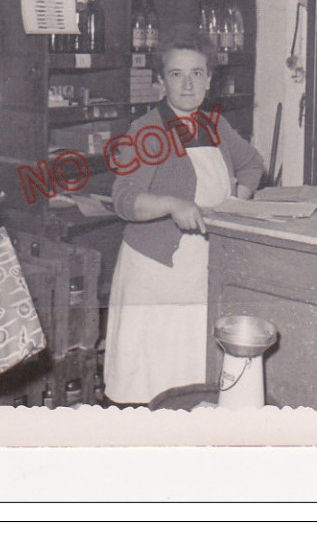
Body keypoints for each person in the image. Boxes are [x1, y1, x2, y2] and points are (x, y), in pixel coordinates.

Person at [103, 26, 264, 405]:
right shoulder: (146, 131)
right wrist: (173, 205)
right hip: (156, 274)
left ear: (210, 79)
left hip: (202, 267)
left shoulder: (214, 125)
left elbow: (253, 164)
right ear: (161, 82)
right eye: (176, 75)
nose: (188, 85)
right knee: (147, 381)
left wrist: (234, 203)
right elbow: (124, 199)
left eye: (197, 74)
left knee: (189, 372)